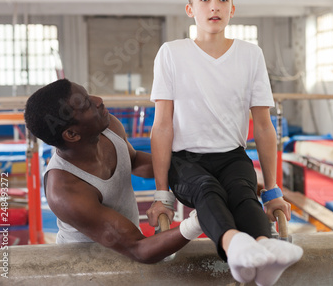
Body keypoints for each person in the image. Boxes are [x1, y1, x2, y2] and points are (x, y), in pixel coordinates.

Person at [146, 0, 303, 286]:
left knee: (244, 195)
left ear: (232, 9)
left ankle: (263, 250)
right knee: (208, 191)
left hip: (233, 156)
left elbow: (263, 125)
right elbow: (162, 126)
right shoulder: (172, 54)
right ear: (191, 10)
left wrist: (272, 190)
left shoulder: (250, 55)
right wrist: (162, 192)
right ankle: (236, 245)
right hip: (187, 160)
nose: (214, 6)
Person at [24, 79, 203, 264]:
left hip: (128, 250)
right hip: (87, 269)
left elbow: (133, 161)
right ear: (72, 134)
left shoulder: (109, 128)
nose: (99, 100)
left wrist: (190, 164)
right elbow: (139, 248)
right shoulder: (65, 190)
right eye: (86, 104)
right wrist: (200, 221)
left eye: (87, 94)